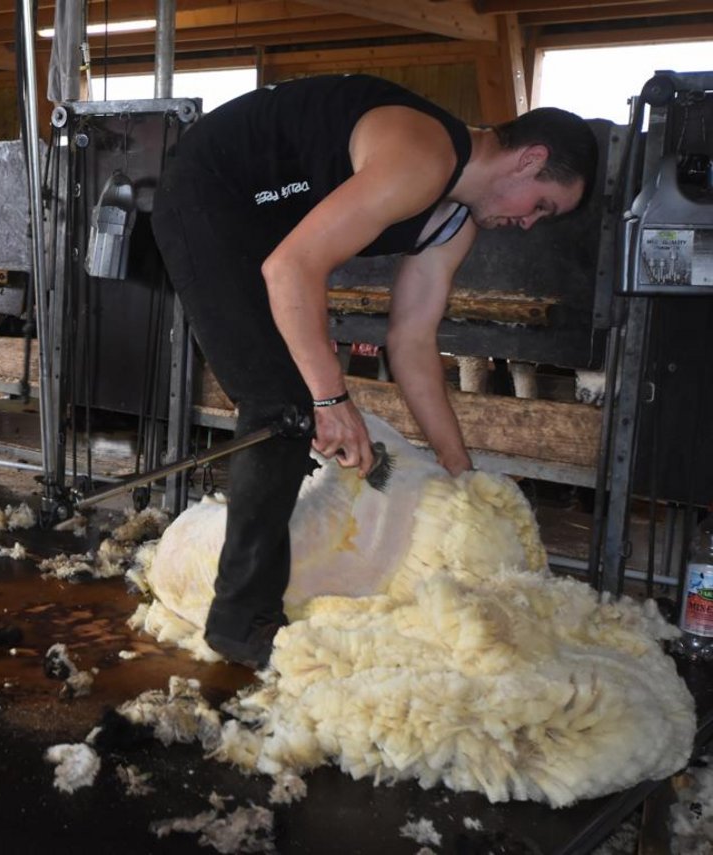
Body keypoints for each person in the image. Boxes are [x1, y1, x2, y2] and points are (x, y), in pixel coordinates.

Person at [151, 74, 597, 669]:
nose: (530, 222)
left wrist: (460, 468)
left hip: (259, 223)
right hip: (207, 192)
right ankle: (241, 619)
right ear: (530, 158)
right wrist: (331, 401)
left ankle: (264, 584)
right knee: (283, 404)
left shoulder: (453, 222)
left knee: (295, 399)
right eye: (542, 204)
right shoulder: (423, 157)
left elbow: (412, 342)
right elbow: (291, 270)